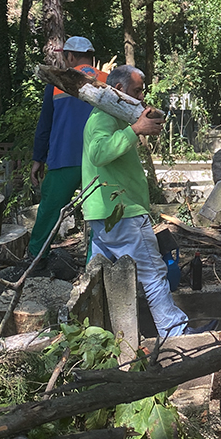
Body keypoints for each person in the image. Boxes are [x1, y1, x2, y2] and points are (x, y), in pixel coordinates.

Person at [82, 64, 205, 336]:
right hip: (121, 213)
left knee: (101, 278)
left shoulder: (110, 116)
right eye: (136, 92)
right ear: (118, 90)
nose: (140, 97)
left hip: (106, 212)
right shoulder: (104, 116)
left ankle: (96, 336)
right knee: (153, 274)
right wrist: (135, 129)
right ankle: (176, 333)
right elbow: (99, 153)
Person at [28, 36, 107, 262]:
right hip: (100, 158)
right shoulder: (107, 80)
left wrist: (37, 159)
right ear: (91, 56)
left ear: (70, 56)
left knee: (50, 210)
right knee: (101, 214)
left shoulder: (56, 83)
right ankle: (96, 262)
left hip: (64, 158)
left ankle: (36, 259)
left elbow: (45, 126)